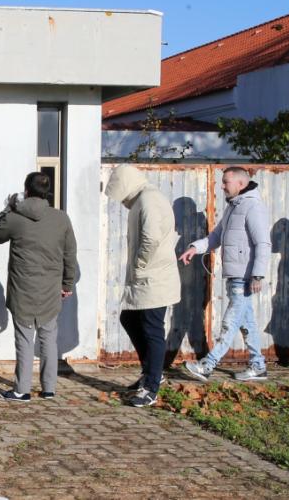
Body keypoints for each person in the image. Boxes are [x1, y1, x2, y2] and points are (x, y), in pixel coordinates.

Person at [0, 172, 78, 403]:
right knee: (49, 337)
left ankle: (22, 390)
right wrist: (68, 283)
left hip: (23, 288)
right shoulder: (61, 219)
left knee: (24, 338)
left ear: (26, 191)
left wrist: (9, 207)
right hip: (50, 289)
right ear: (46, 192)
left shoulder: (16, 217)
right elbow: (70, 254)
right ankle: (49, 389)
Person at [179, 167, 271, 382]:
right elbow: (216, 236)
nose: (222, 186)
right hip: (235, 276)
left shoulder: (252, 206)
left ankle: (208, 364)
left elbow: (263, 243)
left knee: (230, 321)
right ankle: (258, 366)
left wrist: (257, 275)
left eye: (226, 182)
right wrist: (195, 248)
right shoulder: (233, 206)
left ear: (240, 183)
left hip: (245, 277)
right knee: (247, 323)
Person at [104, 165, 181, 407]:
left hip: (154, 278)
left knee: (152, 329)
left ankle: (151, 386)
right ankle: (150, 372)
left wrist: (139, 264)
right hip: (146, 277)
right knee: (130, 319)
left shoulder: (149, 200)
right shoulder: (143, 199)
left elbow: (150, 238)